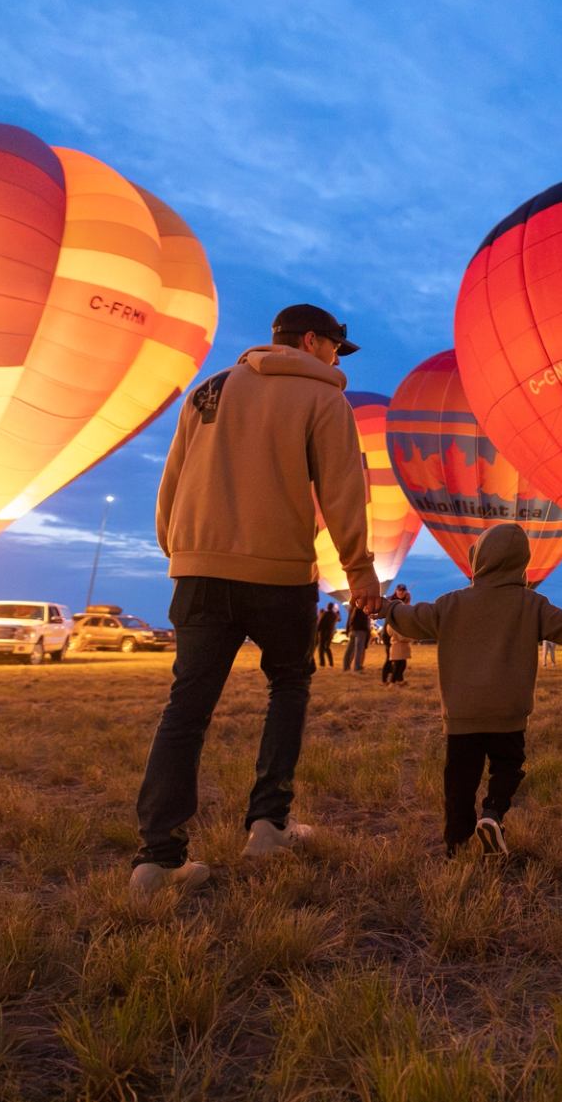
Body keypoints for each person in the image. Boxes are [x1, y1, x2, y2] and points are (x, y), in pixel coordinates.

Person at [131, 303, 378, 897]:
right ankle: (268, 824)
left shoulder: (209, 390)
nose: (335, 361)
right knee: (287, 686)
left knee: (185, 712)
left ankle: (156, 862)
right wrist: (360, 571)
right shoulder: (325, 400)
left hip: (199, 571)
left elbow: (173, 478)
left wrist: (180, 549)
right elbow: (344, 491)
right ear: (314, 341)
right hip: (279, 574)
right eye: (335, 350)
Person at [380, 523, 562, 856]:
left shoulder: (451, 603)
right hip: (509, 714)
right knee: (508, 767)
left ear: (479, 560)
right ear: (521, 563)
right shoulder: (532, 604)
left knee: (459, 782)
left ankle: (456, 844)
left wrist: (385, 608)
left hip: (463, 714)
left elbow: (410, 619)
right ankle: (493, 813)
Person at [342, 601, 371, 671]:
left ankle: (346, 666)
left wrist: (348, 629)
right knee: (359, 650)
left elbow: (349, 619)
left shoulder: (352, 606)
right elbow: (367, 620)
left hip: (353, 629)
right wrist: (368, 631)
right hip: (361, 630)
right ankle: (357, 667)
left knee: (350, 649)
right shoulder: (364, 606)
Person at [314, 602, 338, 668]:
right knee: (327, 647)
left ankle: (322, 663)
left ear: (328, 607)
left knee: (321, 648)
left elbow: (321, 623)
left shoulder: (325, 614)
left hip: (323, 632)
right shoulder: (334, 615)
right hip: (330, 633)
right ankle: (331, 663)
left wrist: (317, 631)